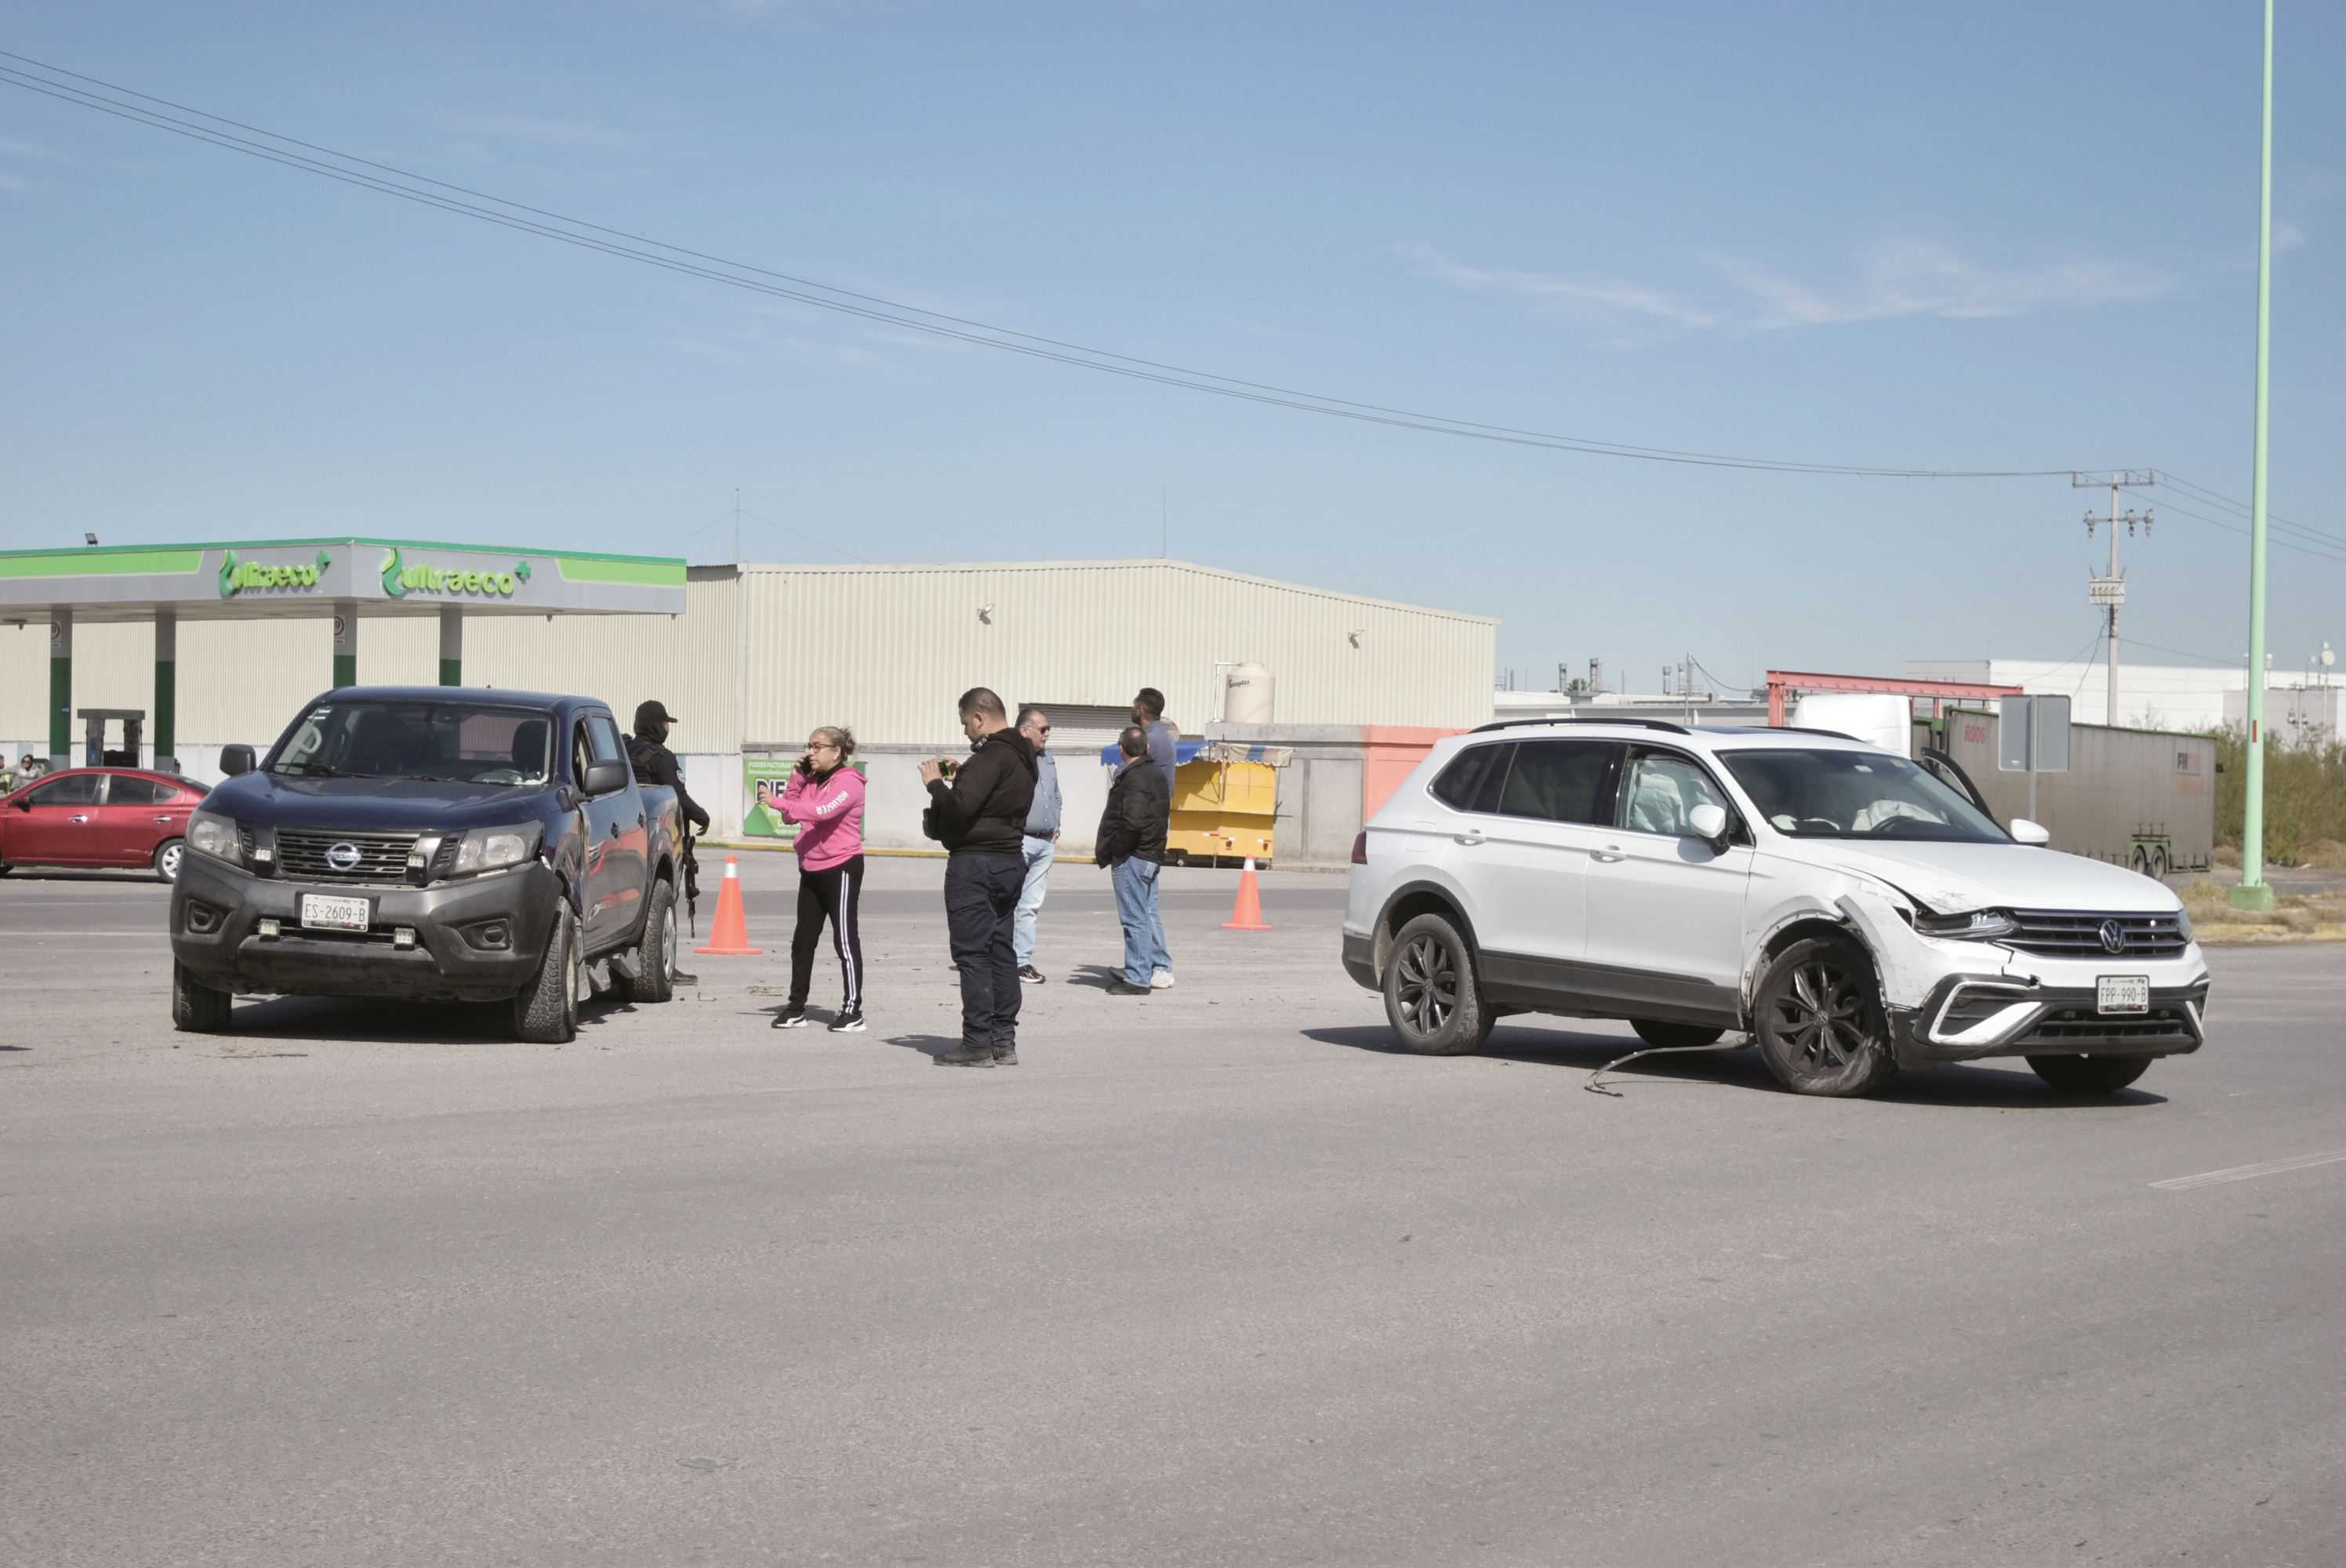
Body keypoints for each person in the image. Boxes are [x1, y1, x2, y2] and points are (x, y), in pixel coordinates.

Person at [919, 687, 1037, 1068]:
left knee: (973, 953)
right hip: (1009, 861)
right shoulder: (1024, 755)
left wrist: (936, 783)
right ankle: (1004, 1041)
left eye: (966, 723)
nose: (966, 732)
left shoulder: (991, 756)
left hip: (976, 864)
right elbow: (988, 797)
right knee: (1002, 950)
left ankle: (976, 1044)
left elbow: (961, 807)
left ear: (979, 717)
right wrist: (965, 773)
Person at [774, 727, 868, 1033]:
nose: (810, 753)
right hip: (811, 867)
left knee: (844, 939)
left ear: (837, 751)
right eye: (809, 747)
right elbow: (791, 816)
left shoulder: (850, 783)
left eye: (817, 747)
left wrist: (777, 803)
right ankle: (796, 1007)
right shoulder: (812, 780)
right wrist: (797, 779)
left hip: (841, 867)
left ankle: (853, 1010)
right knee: (803, 941)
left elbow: (820, 812)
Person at [627, 700, 710, 985]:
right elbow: (679, 798)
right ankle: (662, 966)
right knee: (663, 903)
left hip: (629, 835)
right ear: (654, 724)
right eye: (664, 723)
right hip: (660, 838)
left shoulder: (624, 751)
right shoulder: (661, 757)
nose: (667, 729)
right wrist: (703, 816)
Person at [1096, 724, 1171, 996]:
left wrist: (1116, 851)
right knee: (1148, 914)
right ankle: (1155, 967)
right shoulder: (1157, 774)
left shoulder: (1134, 778)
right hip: (1150, 855)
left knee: (1134, 918)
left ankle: (1138, 977)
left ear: (1121, 750)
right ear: (1147, 748)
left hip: (1135, 857)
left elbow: (1132, 821)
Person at [1128, 688, 1179, 989]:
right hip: (1153, 823)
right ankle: (1149, 964)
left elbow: (1140, 782)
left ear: (1143, 708)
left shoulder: (1152, 741)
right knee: (1145, 901)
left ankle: (1159, 965)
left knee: (1144, 902)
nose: (1132, 707)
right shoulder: (1160, 738)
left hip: (1147, 826)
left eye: (1135, 704)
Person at [1011, 706, 1060, 984]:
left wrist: (1057, 823)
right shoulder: (1012, 758)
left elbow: (1055, 794)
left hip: (1045, 842)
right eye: (1042, 729)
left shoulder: (1048, 759)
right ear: (1024, 730)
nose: (1047, 734)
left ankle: (1022, 962)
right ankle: (997, 958)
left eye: (1048, 729)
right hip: (1021, 840)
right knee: (1006, 902)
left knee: (1030, 906)